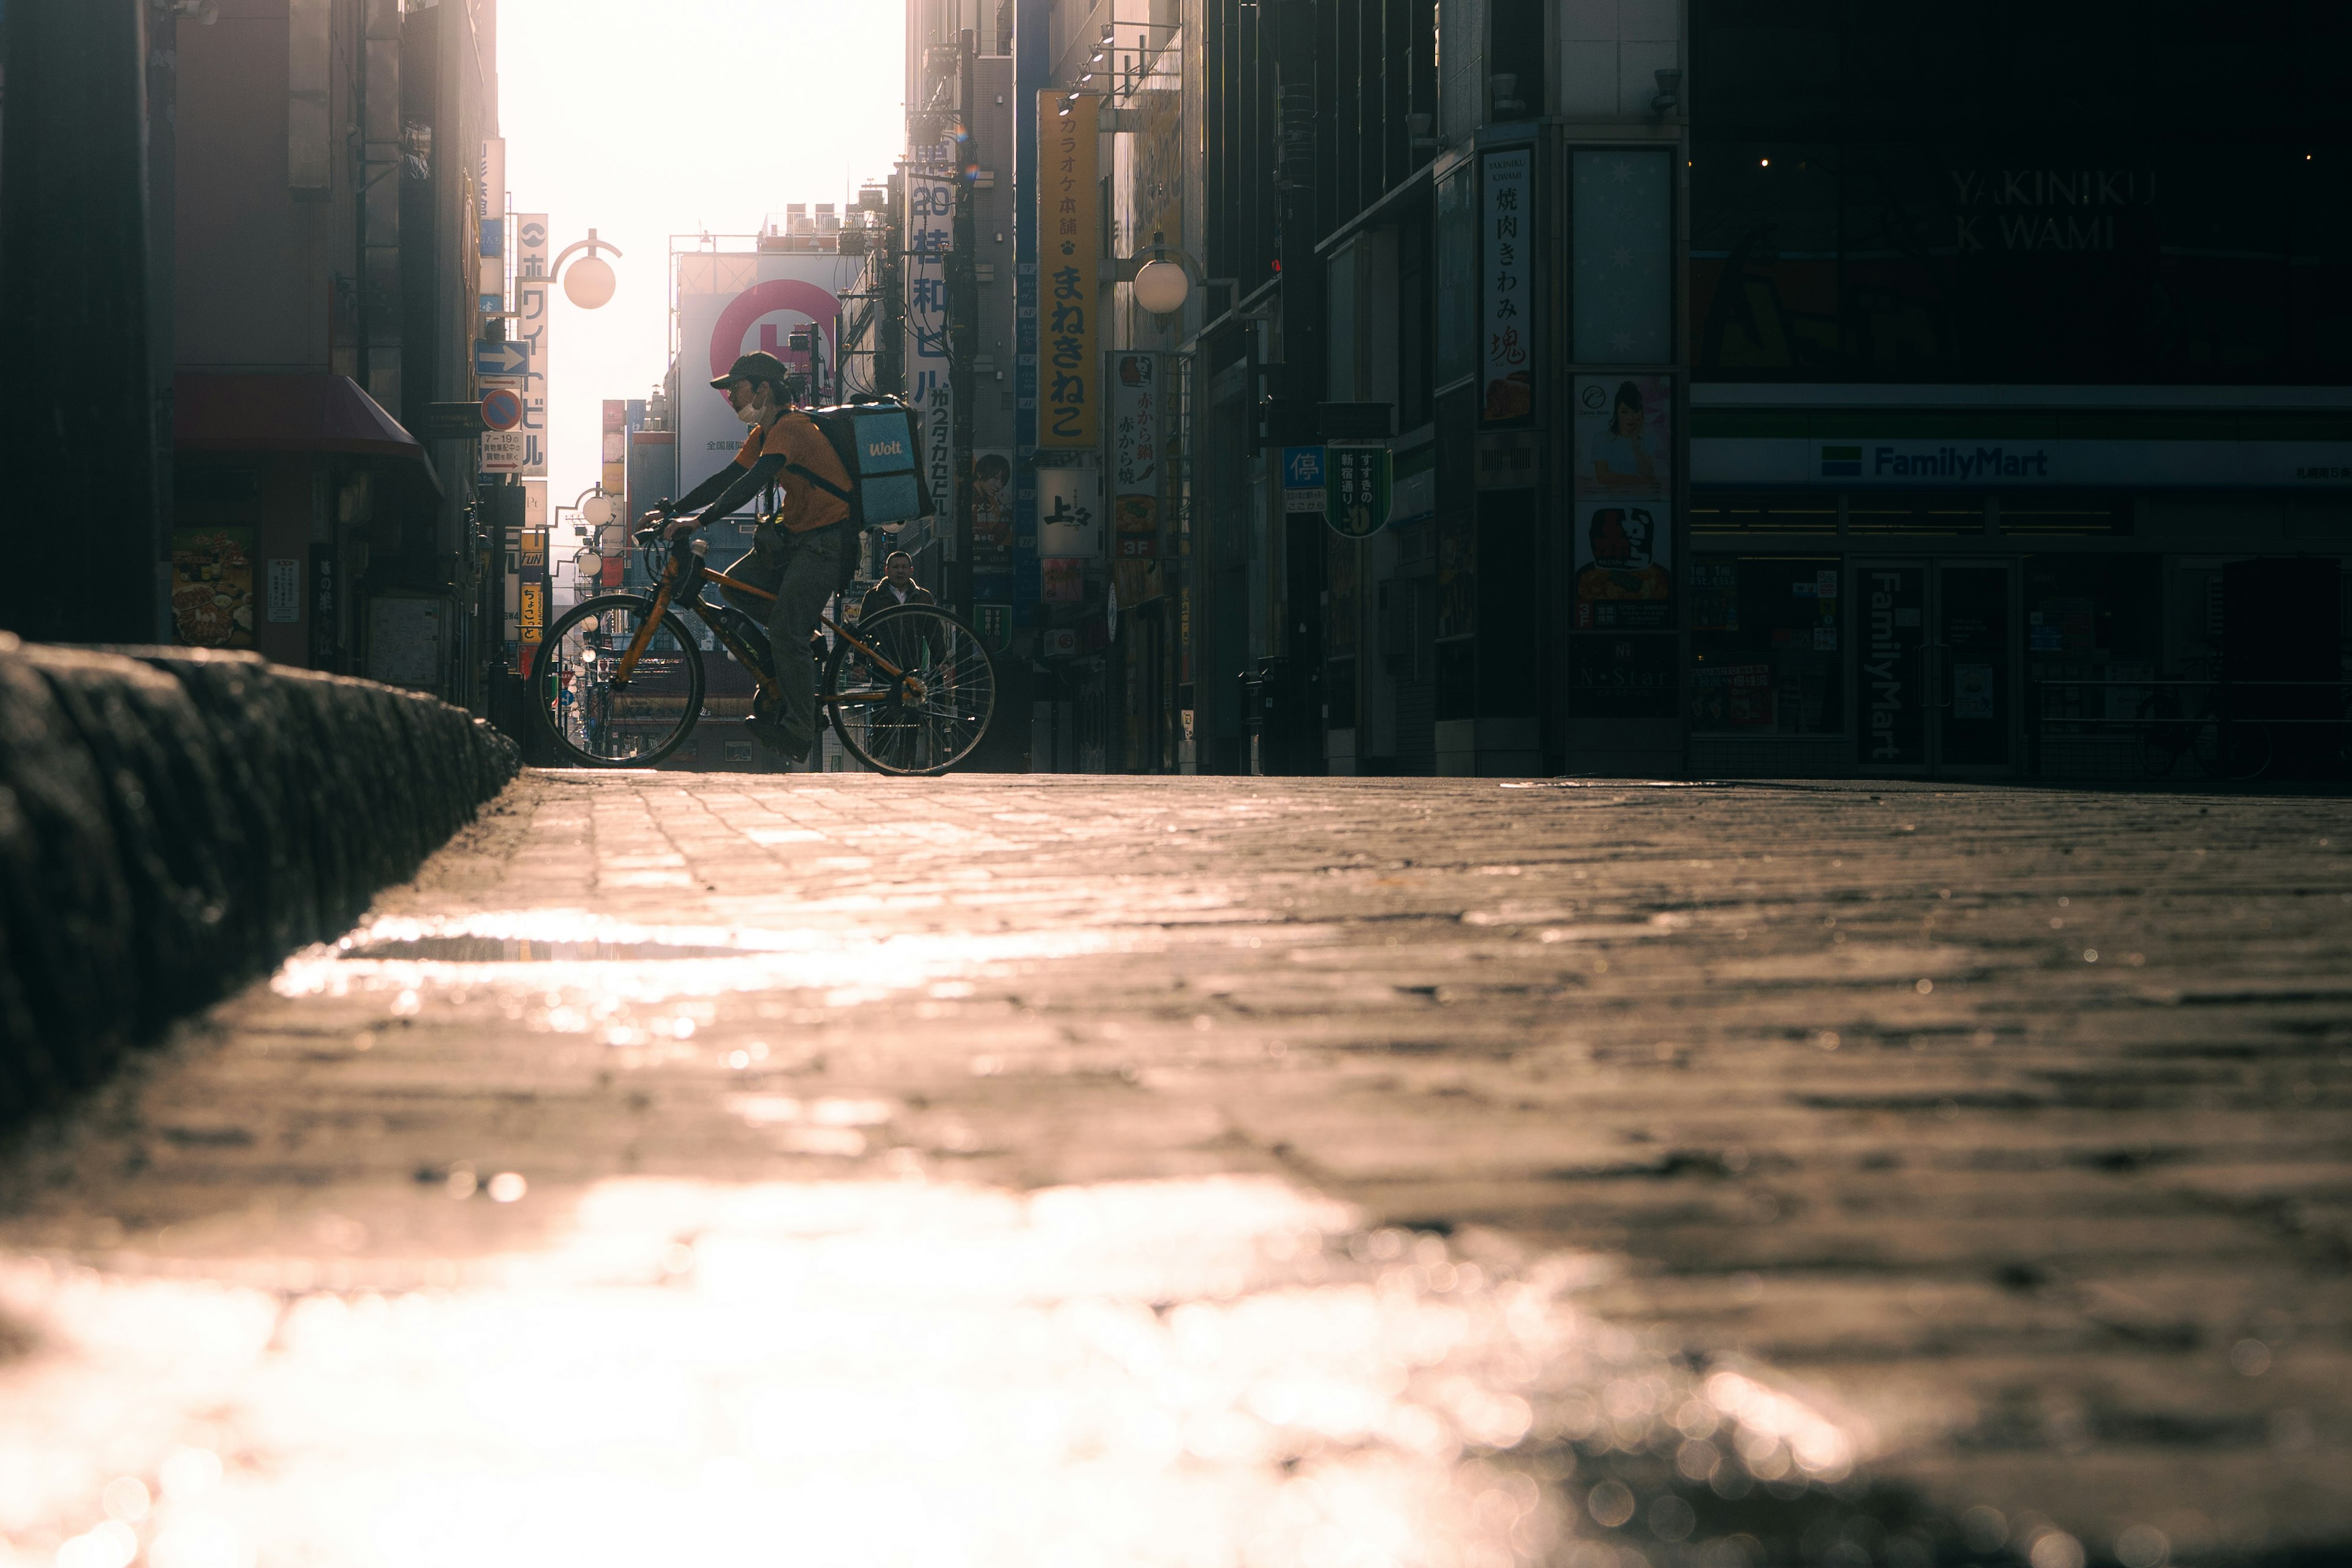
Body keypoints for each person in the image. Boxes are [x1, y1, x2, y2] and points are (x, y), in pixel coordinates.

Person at [652, 350, 854, 763]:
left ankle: (800, 727)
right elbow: (728, 478)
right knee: (738, 588)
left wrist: (700, 521)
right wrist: (674, 510)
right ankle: (803, 647)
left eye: (736, 388)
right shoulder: (765, 432)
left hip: (825, 543)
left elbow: (754, 482)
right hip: (797, 539)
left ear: (763, 389)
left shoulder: (791, 428)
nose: (730, 397)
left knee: (784, 632)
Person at [1588, 380, 1658, 491]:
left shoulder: (1647, 436)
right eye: (1625, 412)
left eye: (1635, 412)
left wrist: (1634, 441)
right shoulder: (1602, 438)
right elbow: (1603, 477)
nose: (1631, 418)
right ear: (1617, 412)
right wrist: (1641, 480)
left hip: (1646, 501)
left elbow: (1648, 473)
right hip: (1614, 502)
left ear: (1641, 413)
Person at [856, 549, 934, 625]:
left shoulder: (924, 597)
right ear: (887, 570)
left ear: (911, 570)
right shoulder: (872, 596)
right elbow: (863, 629)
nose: (900, 571)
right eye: (895, 567)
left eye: (904, 567)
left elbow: (935, 632)